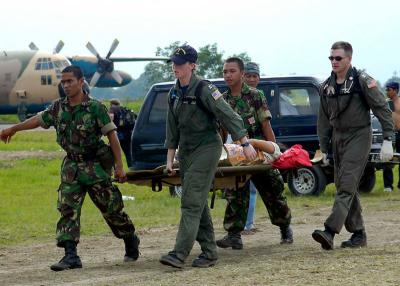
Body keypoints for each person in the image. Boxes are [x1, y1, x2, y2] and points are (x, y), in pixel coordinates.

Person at [0, 65, 140, 271]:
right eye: (63, 82)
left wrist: (119, 166)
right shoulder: (58, 108)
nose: (65, 85)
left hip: (94, 166)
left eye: (69, 81)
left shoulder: (95, 108)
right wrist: (14, 128)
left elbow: (112, 136)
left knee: (112, 209)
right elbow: (38, 120)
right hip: (71, 167)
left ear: (81, 81)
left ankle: (130, 238)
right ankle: (71, 255)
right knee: (67, 209)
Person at [159, 45, 257, 269]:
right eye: (173, 63)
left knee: (190, 201)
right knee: (198, 201)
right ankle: (210, 252)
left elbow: (229, 115)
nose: (175, 67)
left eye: (180, 64)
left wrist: (245, 143)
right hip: (186, 150)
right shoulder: (173, 92)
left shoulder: (205, 88)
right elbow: (171, 130)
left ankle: (179, 253)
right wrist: (169, 161)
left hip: (207, 147)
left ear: (192, 66)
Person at [313, 41, 394, 250]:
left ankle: (329, 231)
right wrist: (324, 147)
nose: (334, 61)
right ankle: (359, 234)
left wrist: (388, 139)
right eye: (331, 58)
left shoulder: (362, 81)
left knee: (346, 184)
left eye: (338, 58)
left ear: (349, 58)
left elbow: (382, 108)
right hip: (338, 138)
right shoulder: (326, 87)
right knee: (344, 185)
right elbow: (323, 120)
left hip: (359, 135)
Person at [216, 57, 293, 250]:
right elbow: (222, 132)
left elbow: (266, 125)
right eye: (225, 72)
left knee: (273, 191)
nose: (228, 75)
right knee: (235, 193)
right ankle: (234, 235)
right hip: (236, 155)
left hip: (258, 152)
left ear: (241, 74)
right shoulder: (223, 100)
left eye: (232, 71)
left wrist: (274, 152)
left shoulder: (255, 95)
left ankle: (285, 227)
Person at [242, 61, 262, 234]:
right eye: (248, 76)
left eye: (254, 76)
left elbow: (265, 123)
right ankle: (240, 225)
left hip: (256, 144)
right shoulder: (232, 95)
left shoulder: (259, 96)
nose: (251, 79)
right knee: (238, 185)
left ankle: (248, 223)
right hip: (238, 145)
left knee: (254, 187)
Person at [108, 99, 136, 168]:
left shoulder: (112, 108)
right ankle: (131, 168)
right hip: (128, 133)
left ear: (111, 104)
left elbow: (111, 116)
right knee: (128, 152)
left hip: (117, 133)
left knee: (113, 153)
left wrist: (109, 127)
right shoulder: (125, 109)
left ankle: (115, 170)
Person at [383, 82, 400, 192]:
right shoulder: (386, 103)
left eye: (388, 89)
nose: (387, 92)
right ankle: (388, 186)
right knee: (387, 158)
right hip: (389, 134)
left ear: (395, 90)